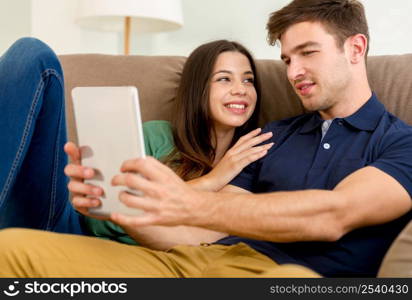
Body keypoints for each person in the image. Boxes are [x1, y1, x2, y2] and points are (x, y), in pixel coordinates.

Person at [1, 0, 411, 278]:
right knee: (10, 250)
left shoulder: (400, 143)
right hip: (190, 262)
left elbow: (334, 215)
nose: (293, 71)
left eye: (308, 53)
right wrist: (123, 210)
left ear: (355, 48)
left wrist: (192, 201)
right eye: (287, 59)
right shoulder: (271, 135)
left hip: (278, 276)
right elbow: (201, 229)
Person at [0, 39, 273, 249]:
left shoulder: (257, 159)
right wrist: (212, 180)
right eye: (224, 78)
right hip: (69, 230)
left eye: (248, 80)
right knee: (33, 53)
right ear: (198, 89)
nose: (241, 89)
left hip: (130, 258)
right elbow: (100, 219)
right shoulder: (156, 136)